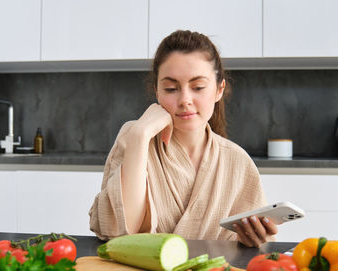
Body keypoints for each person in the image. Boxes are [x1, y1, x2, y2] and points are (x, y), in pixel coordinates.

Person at [88, 30, 277, 247]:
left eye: (198, 87)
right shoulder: (134, 138)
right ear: (157, 92)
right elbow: (119, 232)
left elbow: (256, 251)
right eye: (171, 88)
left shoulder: (237, 161)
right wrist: (140, 136)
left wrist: (253, 240)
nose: (185, 100)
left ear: (218, 90)